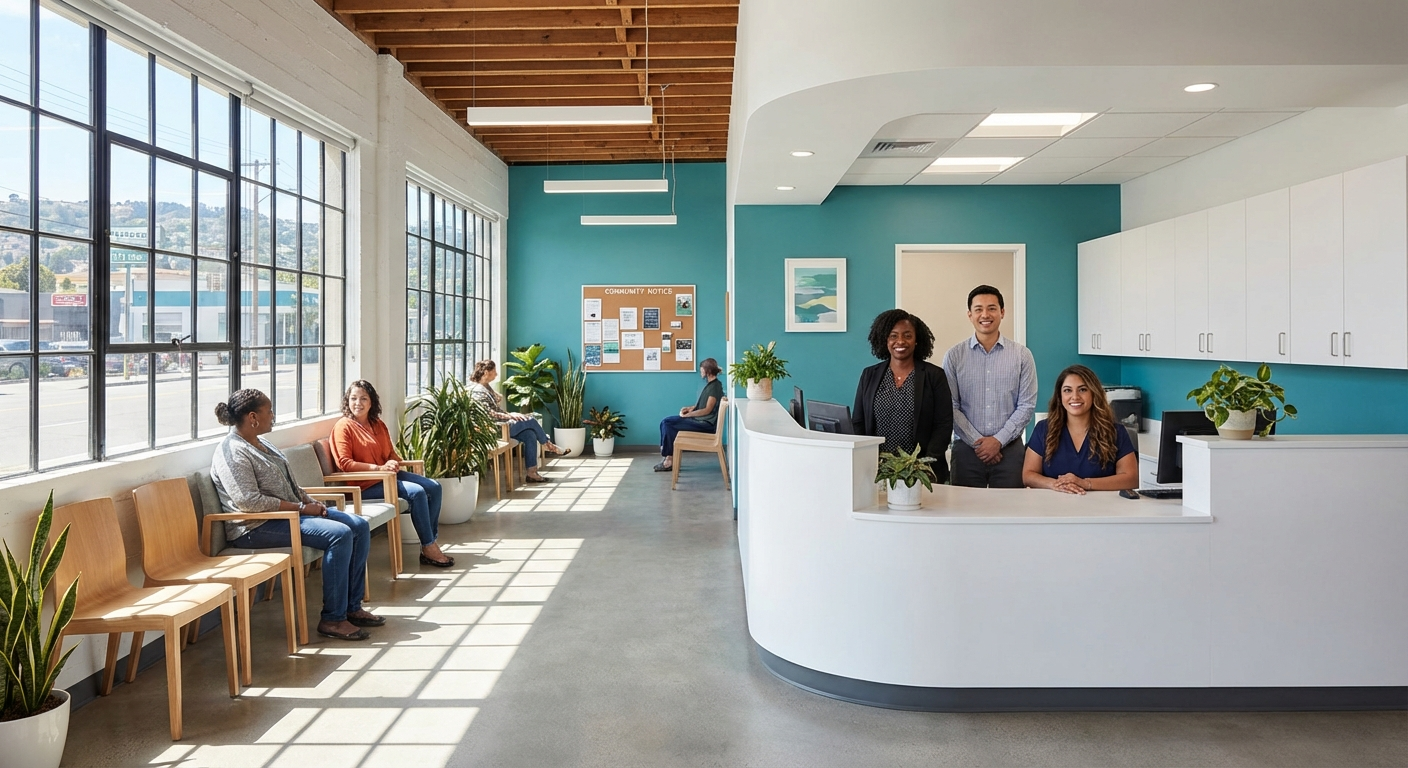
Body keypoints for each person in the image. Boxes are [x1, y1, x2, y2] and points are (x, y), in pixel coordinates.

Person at [210, 389, 382, 641]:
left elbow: (290, 485)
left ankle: (351, 607)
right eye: (269, 411)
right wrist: (302, 509)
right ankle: (333, 619)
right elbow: (249, 502)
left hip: (288, 516)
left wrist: (313, 504)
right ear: (252, 417)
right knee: (340, 535)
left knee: (358, 525)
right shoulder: (232, 452)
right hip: (254, 528)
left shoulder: (261, 442)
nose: (273, 416)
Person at [330, 380, 453, 569]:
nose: (358, 403)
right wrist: (379, 469)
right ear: (347, 401)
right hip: (364, 486)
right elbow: (345, 464)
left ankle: (430, 541)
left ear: (372, 403)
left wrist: (393, 461)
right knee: (416, 492)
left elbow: (389, 453)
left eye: (364, 399)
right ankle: (429, 547)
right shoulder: (343, 427)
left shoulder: (377, 424)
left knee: (434, 487)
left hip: (387, 476)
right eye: (353, 398)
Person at [942, 285, 1038, 488]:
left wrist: (998, 441)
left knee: (1010, 514)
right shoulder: (954, 356)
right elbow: (950, 405)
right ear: (969, 314)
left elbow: (1026, 405)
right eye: (978, 309)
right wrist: (979, 443)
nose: (985, 314)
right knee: (965, 514)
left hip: (1010, 451)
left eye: (992, 308)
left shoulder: (1022, 355)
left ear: (1002, 312)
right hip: (966, 450)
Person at [852, 310, 953, 482]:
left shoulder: (934, 376)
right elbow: (858, 422)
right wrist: (866, 460)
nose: (900, 341)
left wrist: (925, 467)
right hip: (878, 470)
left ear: (916, 340)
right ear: (885, 340)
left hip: (921, 472)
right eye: (893, 336)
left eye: (907, 335)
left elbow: (943, 425)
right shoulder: (869, 375)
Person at [1023, 365, 1138, 493]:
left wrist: (1085, 483)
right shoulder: (1043, 429)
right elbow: (1028, 475)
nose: (1075, 397)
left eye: (1082, 390)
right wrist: (1056, 484)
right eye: (1067, 390)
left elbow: (1131, 479)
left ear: (1094, 394)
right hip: (1053, 508)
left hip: (1103, 508)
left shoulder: (1116, 432)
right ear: (1060, 397)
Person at [468, 360, 570, 483]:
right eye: (494, 371)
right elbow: (488, 413)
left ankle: (532, 473)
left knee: (530, 435)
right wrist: (509, 416)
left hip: (501, 425)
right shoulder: (477, 391)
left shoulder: (486, 387)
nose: (496, 375)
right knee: (531, 420)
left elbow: (495, 410)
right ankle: (548, 445)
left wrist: (510, 414)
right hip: (494, 429)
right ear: (486, 372)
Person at [654, 358, 723, 472]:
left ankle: (668, 459)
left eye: (702, 370)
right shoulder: (712, 385)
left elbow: (707, 410)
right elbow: (702, 405)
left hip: (705, 424)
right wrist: (689, 408)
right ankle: (668, 456)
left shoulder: (715, 387)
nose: (700, 372)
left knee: (668, 423)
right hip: (700, 420)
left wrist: (688, 415)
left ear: (708, 371)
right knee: (665, 422)